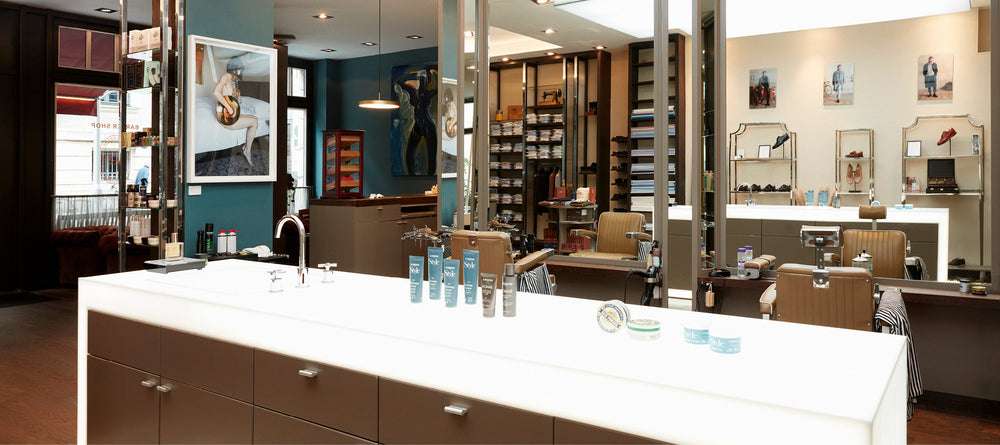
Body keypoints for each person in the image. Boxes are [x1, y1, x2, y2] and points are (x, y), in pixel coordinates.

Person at [213, 56, 258, 166]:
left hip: (230, 114)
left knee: (255, 118)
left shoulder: (231, 79)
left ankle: (246, 148)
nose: (240, 71)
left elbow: (228, 97)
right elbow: (216, 92)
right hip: (226, 117)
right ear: (235, 67)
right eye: (240, 69)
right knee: (254, 122)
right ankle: (247, 150)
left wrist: (236, 100)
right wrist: (228, 108)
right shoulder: (226, 76)